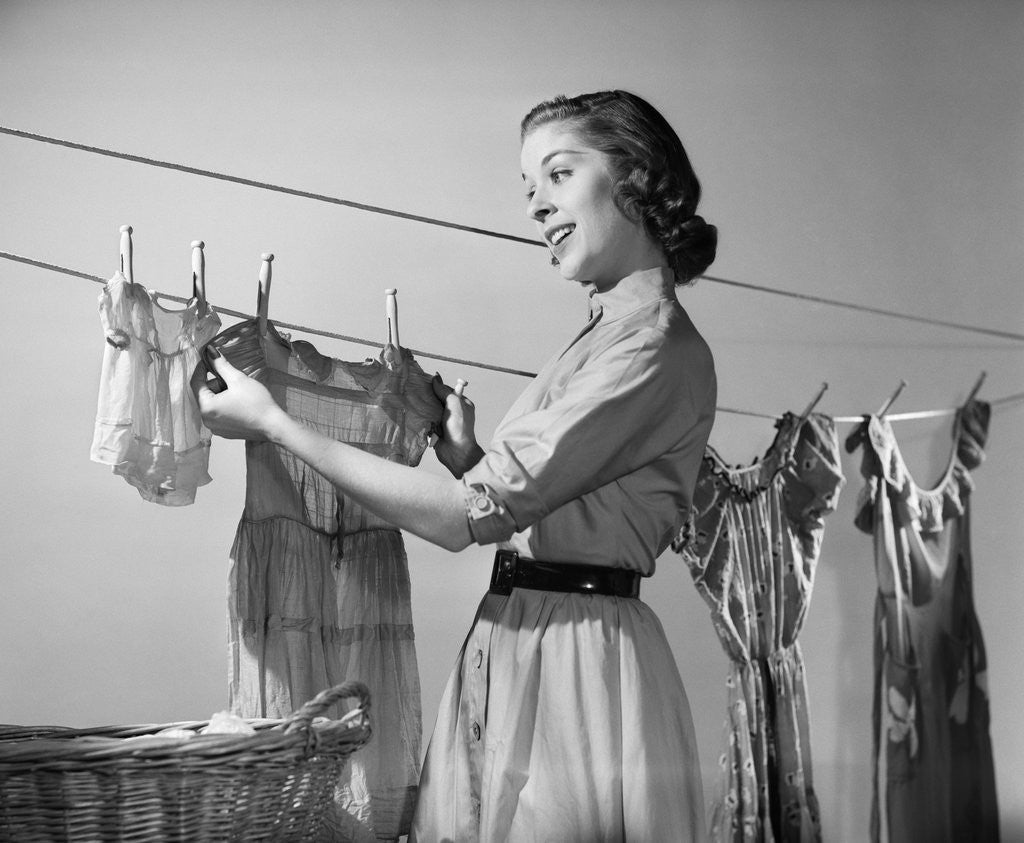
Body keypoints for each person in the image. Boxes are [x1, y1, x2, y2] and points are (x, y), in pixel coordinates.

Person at [194, 89, 718, 842]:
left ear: (633, 175)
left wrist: (277, 423)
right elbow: (557, 504)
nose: (537, 205)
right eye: (529, 187)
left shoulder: (650, 347)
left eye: (558, 175)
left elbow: (466, 517)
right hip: (529, 632)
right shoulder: (607, 333)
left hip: (578, 663)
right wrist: (467, 454)